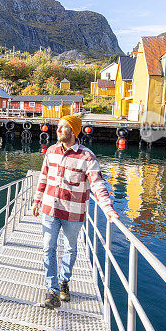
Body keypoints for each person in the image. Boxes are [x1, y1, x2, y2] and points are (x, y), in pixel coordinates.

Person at [32, 114, 120, 309]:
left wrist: (108, 209)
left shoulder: (87, 157)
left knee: (70, 249)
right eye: (58, 126)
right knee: (48, 247)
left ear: (73, 131)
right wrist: (37, 201)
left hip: (73, 213)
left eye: (63, 127)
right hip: (50, 209)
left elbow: (97, 185)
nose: (58, 129)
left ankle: (64, 280)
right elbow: (43, 178)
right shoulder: (51, 152)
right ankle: (52, 289)